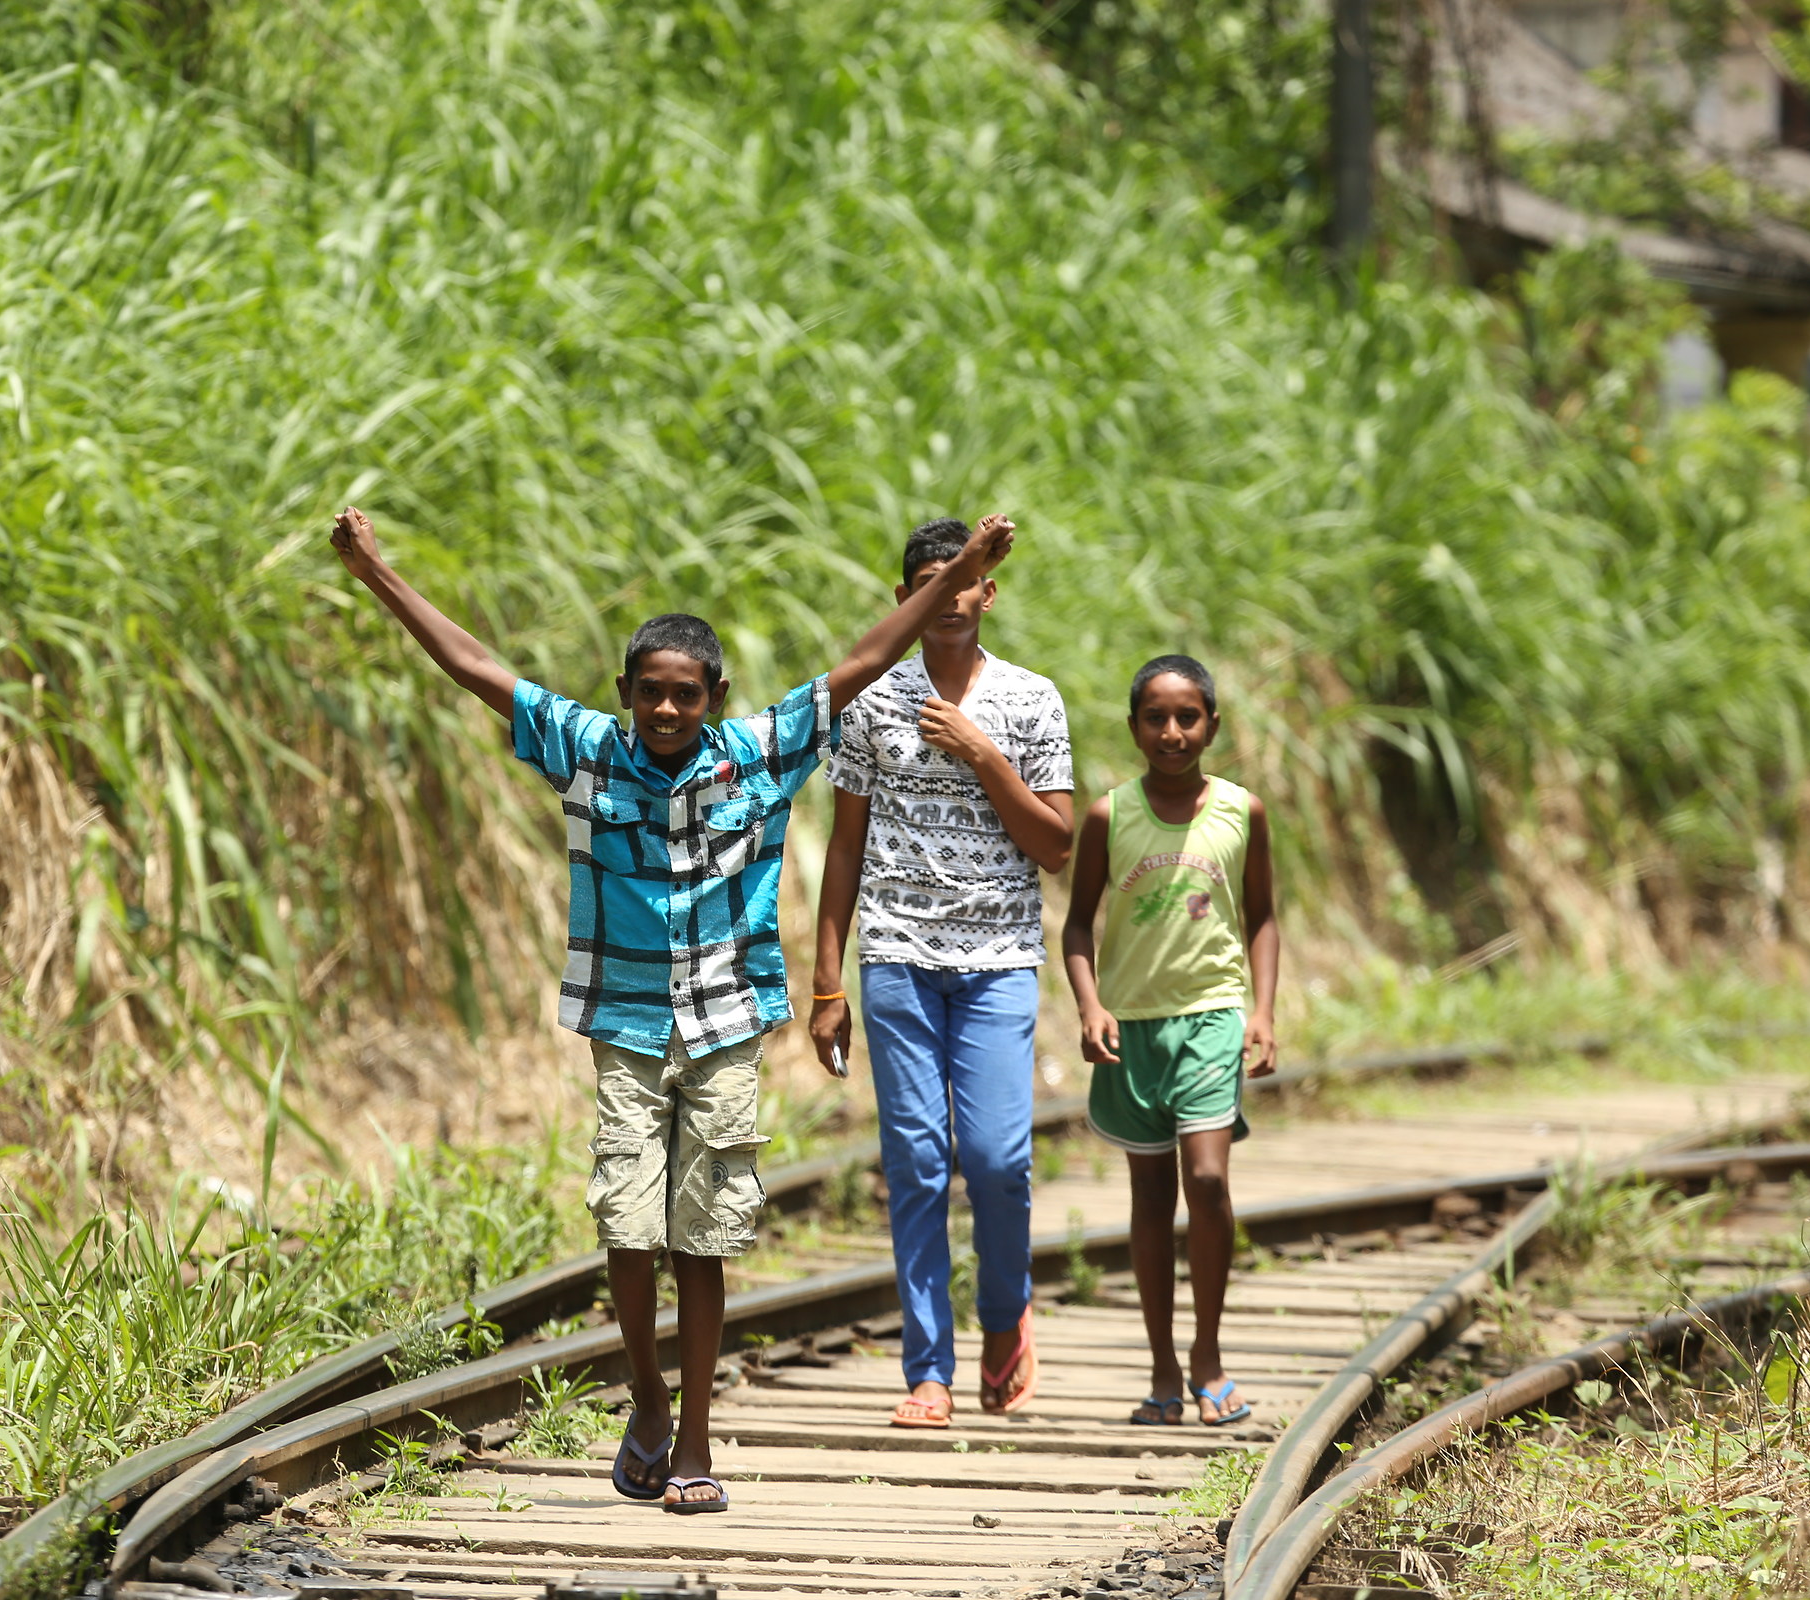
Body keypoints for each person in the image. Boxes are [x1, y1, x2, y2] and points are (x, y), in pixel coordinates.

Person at [327, 505, 1017, 1510]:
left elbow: (863, 659)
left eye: (683, 696)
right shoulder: (586, 751)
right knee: (627, 1224)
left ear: (714, 697)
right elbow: (473, 665)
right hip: (626, 1026)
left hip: (729, 1029)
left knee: (705, 1238)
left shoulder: (759, 753)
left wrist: (958, 568)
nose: (664, 711)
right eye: (648, 694)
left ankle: (694, 1440)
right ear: (624, 694)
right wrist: (374, 572)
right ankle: (646, 1395)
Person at [808, 518, 1074, 1428]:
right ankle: (929, 1370)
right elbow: (844, 849)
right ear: (906, 599)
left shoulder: (1032, 699)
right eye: (930, 579)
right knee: (917, 1162)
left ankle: (1005, 1321)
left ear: (988, 592)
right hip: (895, 955)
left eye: (964, 578)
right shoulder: (873, 703)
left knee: (997, 1160)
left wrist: (984, 756)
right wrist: (827, 982)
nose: (951, 593)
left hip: (1000, 956)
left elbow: (1058, 846)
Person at [1060, 654, 1279, 1428]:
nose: (1173, 731)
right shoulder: (1107, 815)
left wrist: (1262, 1011)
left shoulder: (1241, 811)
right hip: (1132, 1028)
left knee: (1209, 1183)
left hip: (1213, 1017)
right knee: (1150, 1198)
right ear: (1134, 729)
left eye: (1188, 717)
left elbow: (1261, 917)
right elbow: (1079, 923)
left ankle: (1209, 1357)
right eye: (1156, 717)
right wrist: (1089, 1006)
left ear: (1212, 725)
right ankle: (1161, 1368)